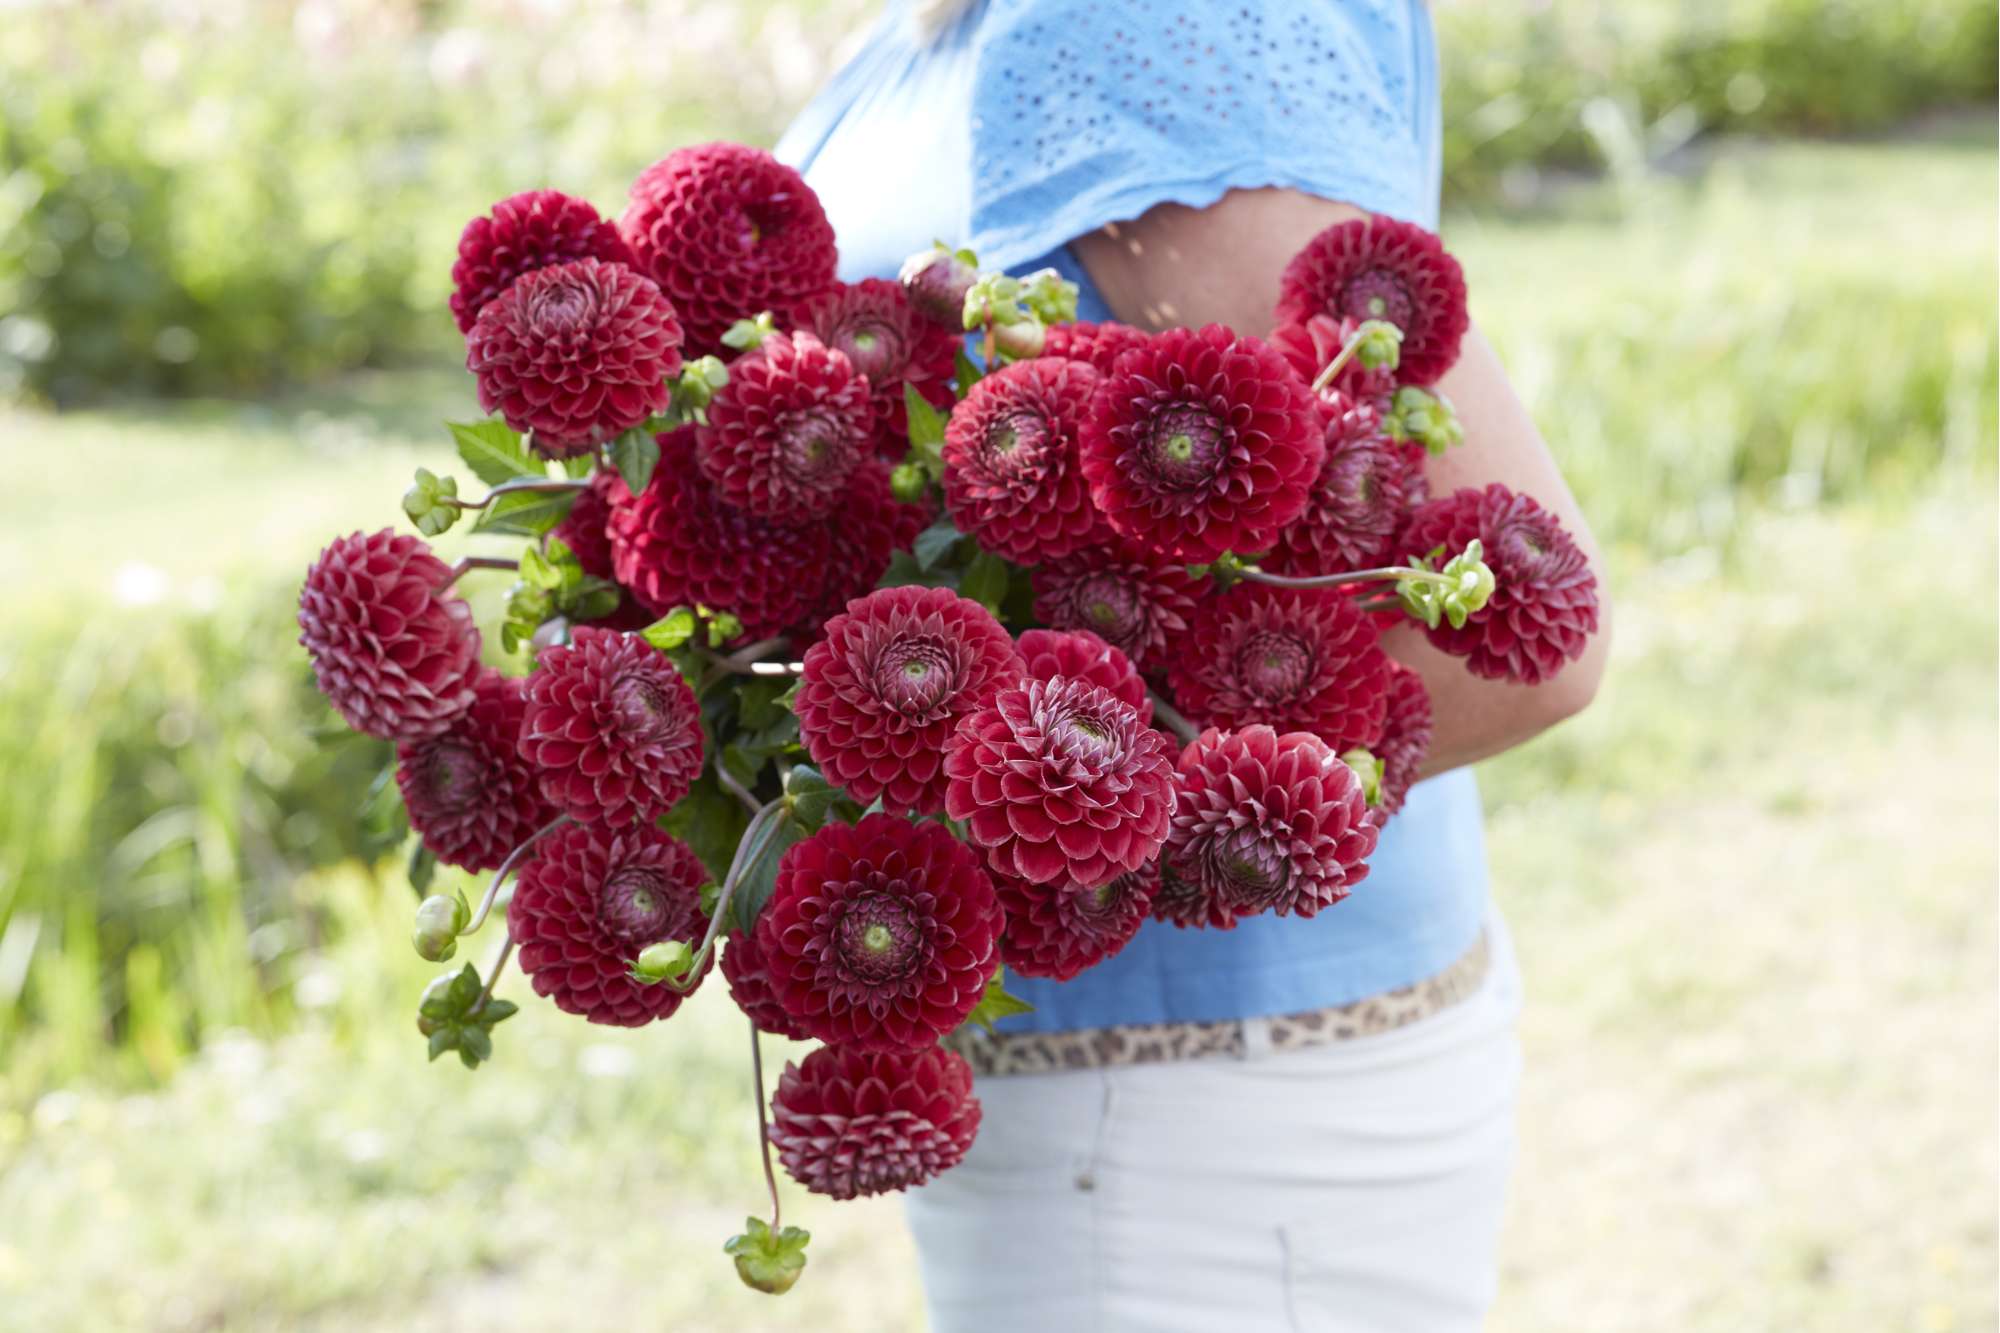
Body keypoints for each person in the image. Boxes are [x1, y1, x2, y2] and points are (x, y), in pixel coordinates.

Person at [776, 2, 1610, 1328]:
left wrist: (1038, 820)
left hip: (1193, 1120)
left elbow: (1520, 637)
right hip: (1089, 1102)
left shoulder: (1142, 18)